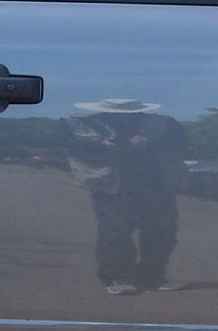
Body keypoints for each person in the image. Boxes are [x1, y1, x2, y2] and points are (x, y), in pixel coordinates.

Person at [64, 98, 186, 294]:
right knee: (116, 231)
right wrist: (99, 144)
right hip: (111, 182)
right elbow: (64, 143)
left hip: (155, 182)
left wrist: (150, 143)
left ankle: (153, 276)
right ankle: (117, 278)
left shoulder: (163, 123)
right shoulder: (83, 123)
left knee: (162, 231)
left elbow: (180, 143)